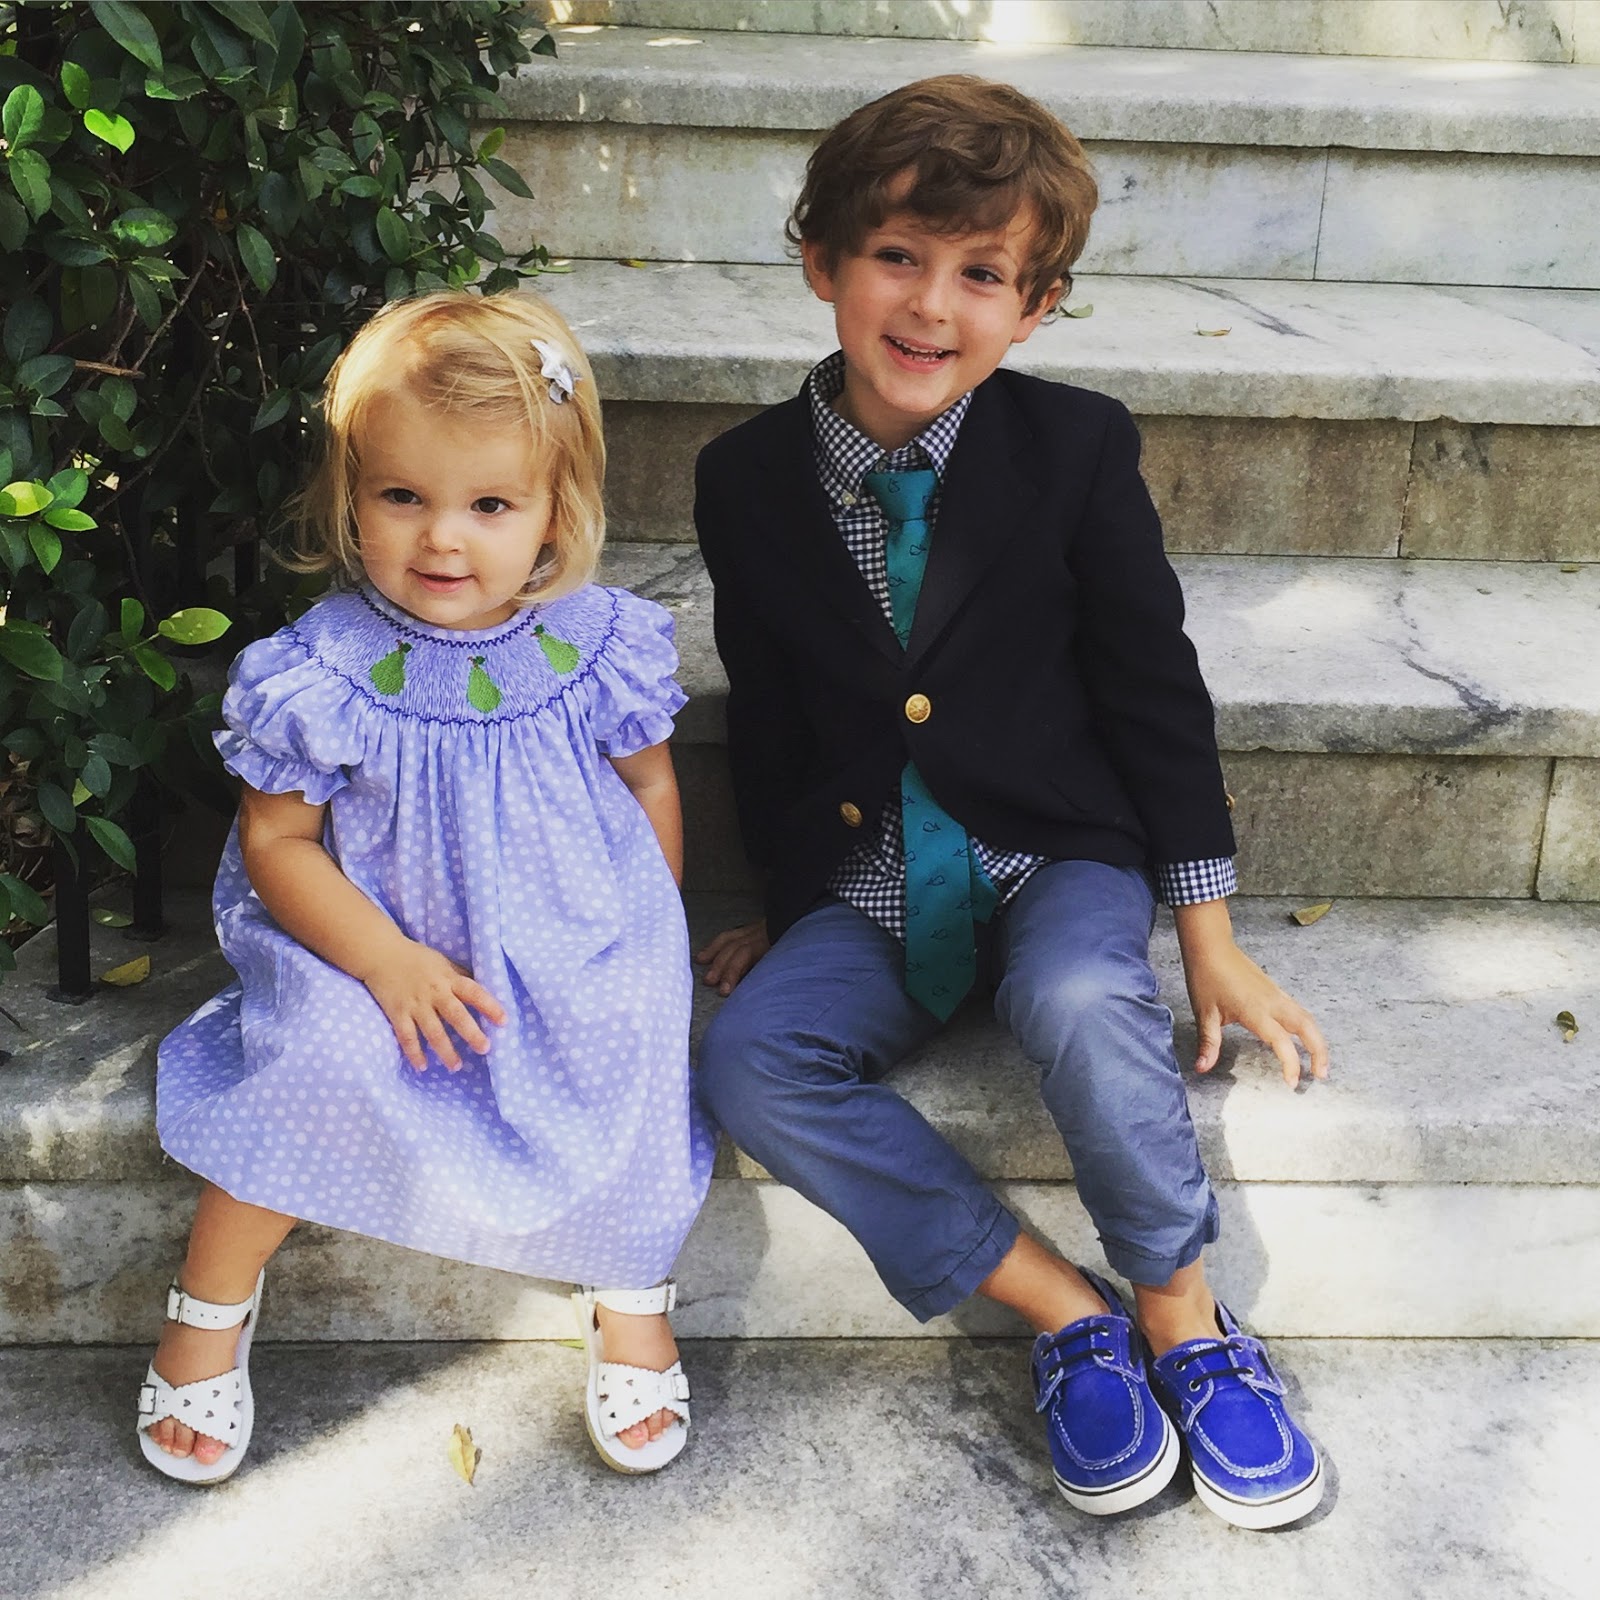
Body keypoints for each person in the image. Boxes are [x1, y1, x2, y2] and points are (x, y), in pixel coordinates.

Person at [693, 75, 1331, 1530]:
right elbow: (770, 711)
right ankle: (1064, 1310)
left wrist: (1208, 933)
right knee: (751, 1062)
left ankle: (1183, 1318)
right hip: (868, 873)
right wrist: (782, 906)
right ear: (823, 264)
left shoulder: (1077, 448)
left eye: (981, 274)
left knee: (1084, 1002)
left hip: (1058, 852)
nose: (932, 305)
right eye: (897, 257)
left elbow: (1152, 687)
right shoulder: (744, 478)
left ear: (1034, 307)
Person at [141, 291, 714, 1483]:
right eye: (403, 496)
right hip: (367, 937)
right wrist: (385, 962)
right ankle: (209, 1304)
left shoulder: (595, 641)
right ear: (352, 493)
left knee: (630, 1033)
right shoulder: (323, 666)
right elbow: (279, 842)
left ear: (556, 507)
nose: (443, 539)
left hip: (564, 931)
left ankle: (629, 1287)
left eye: (489, 505)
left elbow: (650, 781)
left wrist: (643, 928)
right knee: (315, 1053)